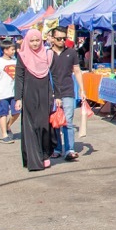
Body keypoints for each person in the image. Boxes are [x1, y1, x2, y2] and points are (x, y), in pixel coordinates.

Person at [16, 28, 55, 171]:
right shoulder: (22, 56)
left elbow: (53, 76)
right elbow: (19, 78)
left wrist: (55, 95)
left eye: (37, 40)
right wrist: (18, 98)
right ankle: (35, 160)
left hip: (44, 93)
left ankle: (45, 154)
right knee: (31, 127)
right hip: (29, 95)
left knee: (43, 125)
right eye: (31, 41)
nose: (34, 43)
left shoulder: (47, 54)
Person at [49, 27, 82, 160]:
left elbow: (77, 71)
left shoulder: (72, 53)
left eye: (64, 38)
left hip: (68, 90)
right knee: (56, 122)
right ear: (52, 38)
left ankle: (69, 149)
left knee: (68, 121)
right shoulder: (48, 54)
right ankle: (57, 148)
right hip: (52, 92)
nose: (62, 41)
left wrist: (82, 89)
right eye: (59, 38)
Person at [0, 40, 20, 142]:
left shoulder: (15, 61)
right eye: (12, 49)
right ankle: (4, 134)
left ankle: (8, 125)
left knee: (16, 112)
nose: (14, 51)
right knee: (3, 113)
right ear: (5, 50)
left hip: (14, 92)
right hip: (2, 93)